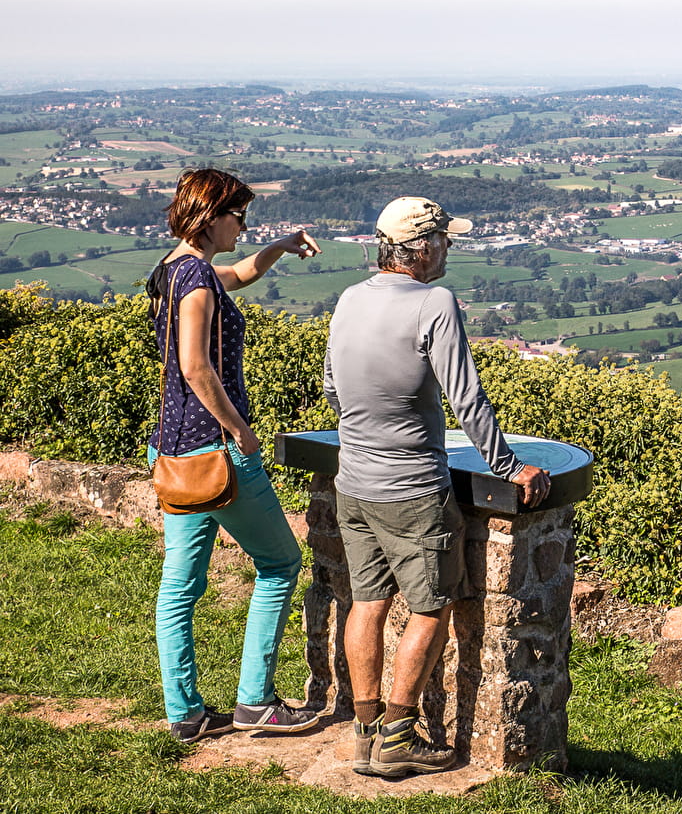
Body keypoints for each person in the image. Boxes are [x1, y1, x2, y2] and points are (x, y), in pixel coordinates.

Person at [323, 196, 550, 777]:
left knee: (367, 604)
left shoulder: (350, 298)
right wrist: (508, 466)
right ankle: (397, 739)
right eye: (445, 239)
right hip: (412, 489)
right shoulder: (434, 302)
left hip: (354, 482)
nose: (450, 247)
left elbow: (333, 390)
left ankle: (363, 732)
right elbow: (466, 397)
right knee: (431, 608)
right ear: (422, 249)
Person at [146, 168, 324, 743]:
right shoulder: (196, 279)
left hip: (172, 451)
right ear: (210, 216)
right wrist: (240, 430)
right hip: (216, 451)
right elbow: (196, 365)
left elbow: (239, 275)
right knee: (280, 566)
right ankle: (256, 703)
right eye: (238, 216)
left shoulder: (173, 271)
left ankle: (185, 713)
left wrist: (278, 247)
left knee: (179, 586)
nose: (243, 225)